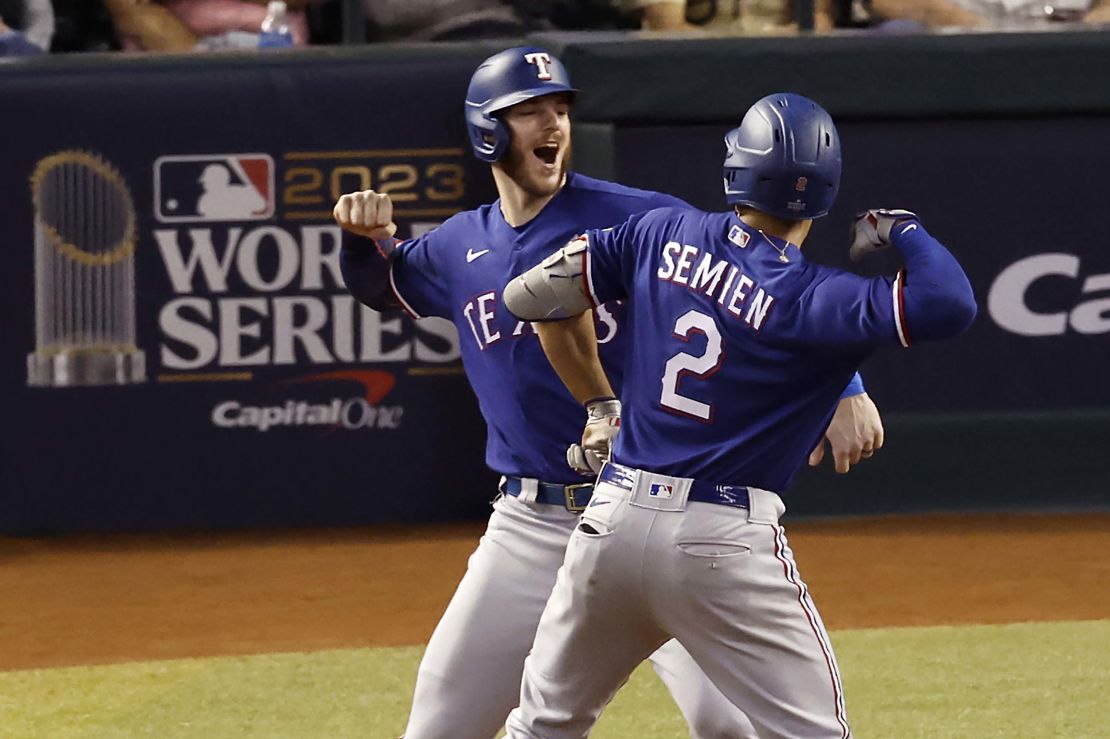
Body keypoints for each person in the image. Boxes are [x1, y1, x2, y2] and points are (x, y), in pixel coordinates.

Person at [335, 49, 883, 739]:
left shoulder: (633, 214)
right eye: (531, 109)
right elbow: (383, 284)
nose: (554, 122)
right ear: (487, 130)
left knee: (728, 724)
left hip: (652, 506)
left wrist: (847, 384)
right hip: (531, 522)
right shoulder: (457, 245)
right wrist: (361, 242)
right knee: (440, 727)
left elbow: (749, 278)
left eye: (562, 108)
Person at [500, 92, 977, 738]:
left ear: (737, 167)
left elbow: (529, 295)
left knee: (543, 726)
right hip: (721, 540)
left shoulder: (661, 233)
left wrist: (603, 402)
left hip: (612, 518)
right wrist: (901, 229)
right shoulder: (816, 298)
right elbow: (950, 301)